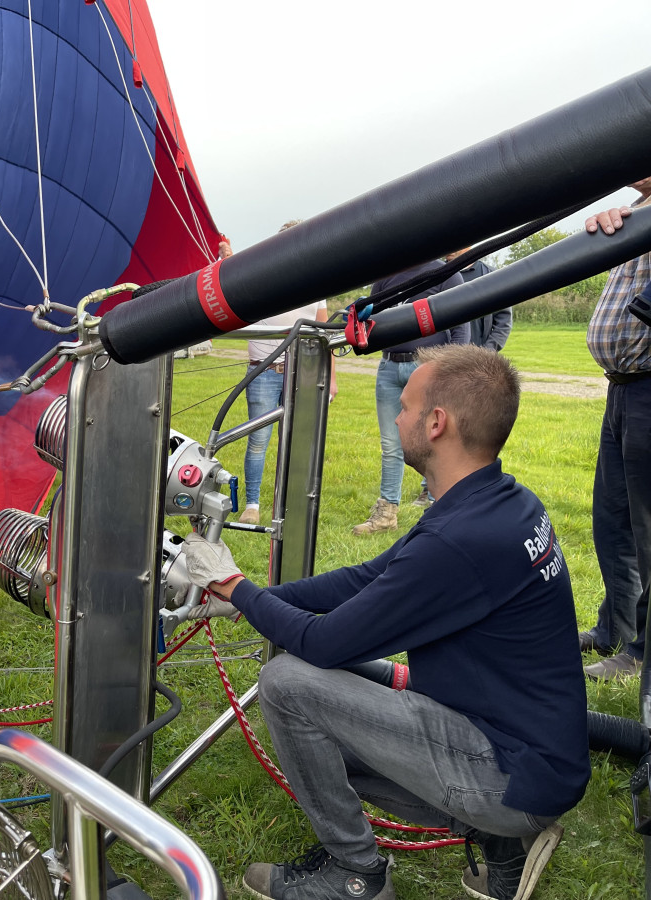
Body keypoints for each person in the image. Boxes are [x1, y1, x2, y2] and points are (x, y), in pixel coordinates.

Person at [182, 344, 588, 900]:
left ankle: (357, 875)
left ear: (437, 423)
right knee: (322, 692)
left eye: (406, 407)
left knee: (287, 684)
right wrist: (254, 598)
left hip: (510, 775)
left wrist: (233, 584)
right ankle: (502, 844)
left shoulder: (459, 541)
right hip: (528, 751)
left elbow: (324, 643)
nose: (397, 419)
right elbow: (365, 578)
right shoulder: (498, 500)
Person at [577, 178, 651, 680]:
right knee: (614, 523)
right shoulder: (634, 210)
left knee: (648, 528)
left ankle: (643, 652)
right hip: (622, 387)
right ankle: (616, 630)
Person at [354, 261, 468, 532]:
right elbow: (370, 319)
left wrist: (451, 370)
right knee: (391, 444)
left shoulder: (446, 274)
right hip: (389, 367)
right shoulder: (386, 275)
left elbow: (461, 327)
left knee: (435, 440)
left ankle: (437, 511)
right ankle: (386, 514)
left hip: (428, 366)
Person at [238, 221, 338, 526]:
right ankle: (252, 505)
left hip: (301, 374)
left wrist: (331, 379)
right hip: (264, 372)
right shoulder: (261, 279)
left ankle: (287, 503)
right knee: (259, 439)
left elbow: (325, 335)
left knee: (294, 440)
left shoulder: (317, 285)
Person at [446, 249, 513, 351]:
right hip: (440, 357)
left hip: (477, 356)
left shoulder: (492, 276)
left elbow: (503, 321)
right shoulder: (433, 276)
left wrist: (487, 352)